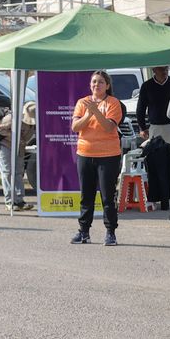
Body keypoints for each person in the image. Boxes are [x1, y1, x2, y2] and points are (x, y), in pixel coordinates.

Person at [71, 70, 124, 246]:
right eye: (94, 82)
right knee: (86, 195)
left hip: (108, 155)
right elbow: (75, 127)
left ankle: (110, 232)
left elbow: (109, 127)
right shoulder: (82, 102)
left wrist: (96, 111)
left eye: (101, 82)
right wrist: (88, 113)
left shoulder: (113, 103)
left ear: (107, 85)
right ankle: (84, 231)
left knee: (107, 196)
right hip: (85, 154)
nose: (96, 85)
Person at [0, 101, 36, 211]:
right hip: (5, 145)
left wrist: (20, 141)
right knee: (7, 172)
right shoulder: (12, 118)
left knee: (19, 172)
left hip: (19, 147)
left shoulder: (33, 124)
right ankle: (9, 200)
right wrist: (14, 136)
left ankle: (19, 200)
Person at [137, 66, 170, 148]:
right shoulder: (147, 86)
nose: (164, 71)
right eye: (161, 69)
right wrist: (142, 127)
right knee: (157, 155)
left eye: (166, 68)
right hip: (155, 127)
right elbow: (141, 108)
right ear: (154, 70)